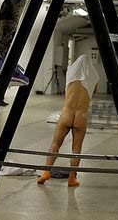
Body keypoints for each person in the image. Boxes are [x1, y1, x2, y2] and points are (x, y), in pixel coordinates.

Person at [36, 54, 99, 188]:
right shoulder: (93, 77)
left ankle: (46, 172)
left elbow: (66, 93)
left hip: (66, 114)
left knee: (55, 143)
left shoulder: (71, 75)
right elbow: (93, 91)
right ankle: (71, 178)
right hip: (81, 117)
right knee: (76, 149)